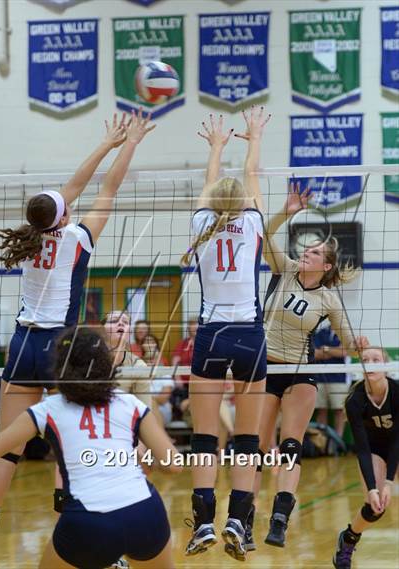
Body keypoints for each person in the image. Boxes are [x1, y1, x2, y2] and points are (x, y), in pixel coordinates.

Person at [0, 111, 155, 564]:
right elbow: (107, 190)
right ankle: (95, 526)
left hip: (22, 344)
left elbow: (66, 194)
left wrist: (105, 144)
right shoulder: (77, 237)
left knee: (9, 447)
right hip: (62, 347)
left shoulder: (28, 237)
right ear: (65, 214)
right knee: (77, 440)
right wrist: (127, 142)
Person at [0, 327, 181, 569]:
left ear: (60, 369)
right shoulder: (130, 404)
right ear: (106, 365)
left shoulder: (46, 410)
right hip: (145, 513)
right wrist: (140, 459)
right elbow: (173, 464)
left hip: (87, 522)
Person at [250, 182, 370, 550]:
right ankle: (243, 517)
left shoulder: (329, 298)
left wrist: (360, 346)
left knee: (290, 446)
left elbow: (347, 338)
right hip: (266, 369)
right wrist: (287, 212)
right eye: (308, 248)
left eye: (315, 251)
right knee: (253, 447)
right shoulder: (284, 269)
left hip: (299, 372)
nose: (307, 252)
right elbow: (264, 234)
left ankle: (280, 517)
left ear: (327, 265)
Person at [182, 108, 270, 561]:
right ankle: (239, 518)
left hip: (212, 333)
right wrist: (253, 137)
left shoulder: (200, 224)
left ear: (214, 201)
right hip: (250, 335)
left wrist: (215, 147)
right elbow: (250, 173)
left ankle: (203, 525)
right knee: (248, 440)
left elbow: (212, 184)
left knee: (204, 436)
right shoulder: (254, 222)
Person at [333, 347, 398, 569]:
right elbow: (361, 447)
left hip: (397, 446)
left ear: (386, 367)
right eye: (365, 359)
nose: (370, 363)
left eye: (376, 359)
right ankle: (348, 539)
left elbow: (397, 441)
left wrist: (390, 482)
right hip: (373, 450)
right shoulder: (355, 399)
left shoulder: (397, 392)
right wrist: (373, 488)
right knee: (375, 507)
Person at [103, 310, 151, 406]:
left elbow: (144, 409)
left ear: (129, 333)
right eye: (114, 321)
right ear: (102, 330)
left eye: (125, 322)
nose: (120, 323)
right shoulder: (88, 359)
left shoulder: (138, 365)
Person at [314, 323, 350, 437]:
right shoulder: (321, 332)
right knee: (321, 410)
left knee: (339, 411)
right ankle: (322, 442)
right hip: (320, 376)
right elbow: (315, 354)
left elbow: (345, 352)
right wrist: (335, 351)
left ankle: (337, 442)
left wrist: (326, 349)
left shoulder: (346, 332)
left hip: (339, 378)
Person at [172, 318, 198, 386]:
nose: (195, 328)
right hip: (184, 382)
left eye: (197, 325)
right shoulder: (182, 344)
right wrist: (178, 379)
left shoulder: (206, 344)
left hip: (200, 381)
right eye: (193, 325)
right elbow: (175, 363)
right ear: (189, 329)